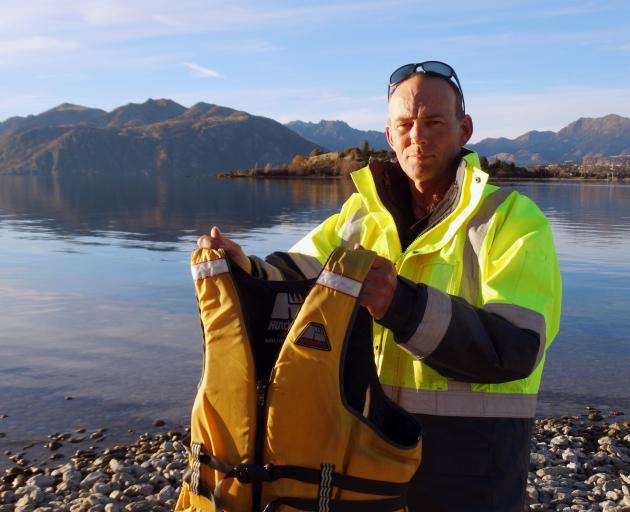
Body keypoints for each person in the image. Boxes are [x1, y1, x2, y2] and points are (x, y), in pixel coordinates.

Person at [198, 61, 562, 512]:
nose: (418, 137)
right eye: (405, 125)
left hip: (469, 469)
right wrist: (246, 273)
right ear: (390, 136)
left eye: (433, 122)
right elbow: (296, 275)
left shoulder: (512, 220)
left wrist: (402, 305)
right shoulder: (359, 214)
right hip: (363, 461)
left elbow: (515, 348)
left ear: (463, 129)